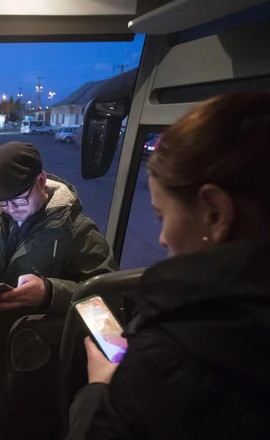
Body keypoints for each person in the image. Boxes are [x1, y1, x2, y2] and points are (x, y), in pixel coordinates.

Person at [66, 91, 270, 440]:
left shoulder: (173, 360)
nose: (162, 239)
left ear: (214, 213)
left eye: (163, 215)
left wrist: (100, 390)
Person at [0, 142, 118, 440]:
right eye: (2, 204)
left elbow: (109, 305)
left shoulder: (78, 231)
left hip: (43, 366)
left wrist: (49, 293)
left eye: (18, 200)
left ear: (41, 180)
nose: (11, 210)